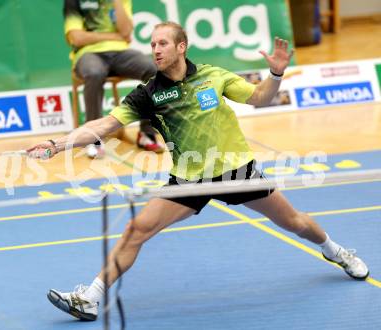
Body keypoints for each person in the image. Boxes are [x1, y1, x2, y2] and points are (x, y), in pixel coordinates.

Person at [28, 22, 369, 321]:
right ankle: (91, 297)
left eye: (162, 43)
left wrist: (276, 75)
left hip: (238, 173)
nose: (155, 50)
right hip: (190, 180)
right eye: (152, 44)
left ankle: (335, 251)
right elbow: (105, 125)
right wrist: (58, 144)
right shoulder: (149, 94)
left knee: (294, 222)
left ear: (181, 46)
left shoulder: (213, 76)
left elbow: (260, 99)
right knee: (137, 229)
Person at [64, 0, 163, 157]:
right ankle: (93, 138)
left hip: (121, 53)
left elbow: (125, 32)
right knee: (94, 73)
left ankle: (147, 133)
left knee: (154, 70)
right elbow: (76, 37)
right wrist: (113, 36)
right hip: (88, 53)